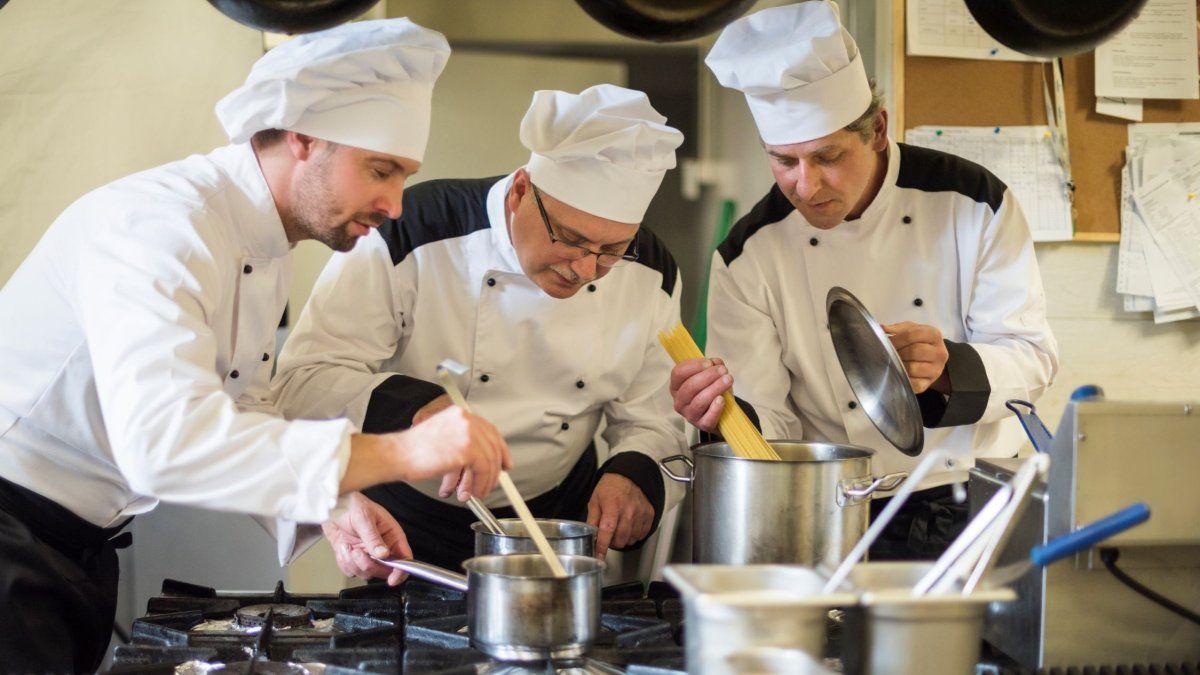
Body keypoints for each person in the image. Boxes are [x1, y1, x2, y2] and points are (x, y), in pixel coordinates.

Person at [0, 18, 511, 672]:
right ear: (301, 136)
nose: (394, 203)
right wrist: (404, 450)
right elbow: (166, 441)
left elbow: (239, 409)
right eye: (380, 170)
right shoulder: (159, 227)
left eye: (403, 176)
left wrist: (329, 503)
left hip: (79, 550)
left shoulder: (266, 248)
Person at [670, 1, 1059, 559]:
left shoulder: (973, 205)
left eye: (827, 156)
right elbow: (769, 424)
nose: (805, 186)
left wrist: (952, 369)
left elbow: (1032, 359)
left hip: (974, 504)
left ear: (877, 129)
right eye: (783, 161)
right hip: (832, 513)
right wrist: (721, 414)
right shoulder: (747, 255)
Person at [272, 84, 688, 568]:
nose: (586, 270)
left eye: (612, 251)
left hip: (558, 527)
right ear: (519, 191)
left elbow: (652, 415)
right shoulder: (411, 230)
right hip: (404, 527)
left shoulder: (652, 269)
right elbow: (304, 379)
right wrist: (415, 409)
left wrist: (634, 472)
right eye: (570, 240)